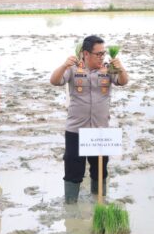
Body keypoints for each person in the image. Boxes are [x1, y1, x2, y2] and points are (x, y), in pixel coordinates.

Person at [50, 35, 129, 204]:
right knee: (73, 170)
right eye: (98, 54)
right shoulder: (73, 69)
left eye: (104, 53)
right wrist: (64, 64)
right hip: (76, 130)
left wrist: (120, 68)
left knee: (100, 170)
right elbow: (54, 80)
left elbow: (123, 82)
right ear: (86, 54)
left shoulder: (108, 69)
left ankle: (98, 204)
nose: (102, 57)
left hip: (100, 130)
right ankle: (71, 206)